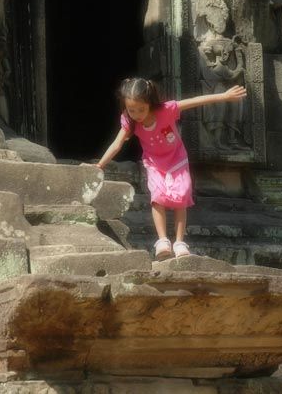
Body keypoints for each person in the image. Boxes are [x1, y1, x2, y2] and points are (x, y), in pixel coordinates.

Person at [96, 78, 248, 260]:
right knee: (158, 198)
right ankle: (162, 241)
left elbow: (197, 101)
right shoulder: (130, 121)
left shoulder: (167, 110)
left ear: (150, 103)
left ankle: (179, 242)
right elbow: (117, 144)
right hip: (154, 163)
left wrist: (224, 96)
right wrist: (99, 166)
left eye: (141, 109)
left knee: (181, 197)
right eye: (132, 110)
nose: (137, 114)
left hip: (176, 159)